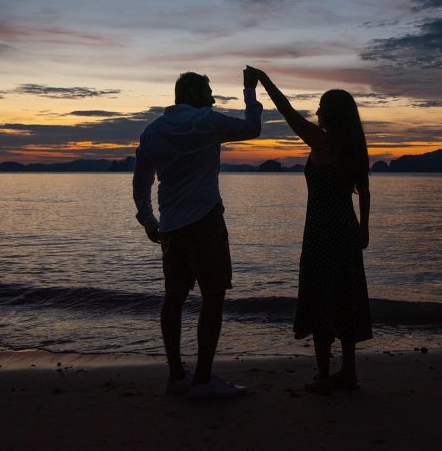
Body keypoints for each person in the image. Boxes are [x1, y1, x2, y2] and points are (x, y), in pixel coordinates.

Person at [133, 69, 262, 399]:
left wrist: (150, 221)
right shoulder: (205, 120)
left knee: (173, 300)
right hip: (205, 221)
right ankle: (203, 380)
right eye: (208, 92)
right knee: (213, 297)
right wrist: (249, 90)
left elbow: (141, 183)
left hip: (172, 228)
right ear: (192, 93)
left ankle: (177, 377)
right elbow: (252, 128)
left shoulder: (152, 132)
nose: (213, 98)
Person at [248, 66, 372, 393]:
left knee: (321, 297)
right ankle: (348, 373)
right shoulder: (355, 145)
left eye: (321, 107)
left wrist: (264, 81)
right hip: (347, 229)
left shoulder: (322, 143)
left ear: (331, 114)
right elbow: (366, 190)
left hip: (321, 231)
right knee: (345, 297)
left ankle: (322, 375)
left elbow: (288, 112)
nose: (316, 112)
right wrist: (364, 229)